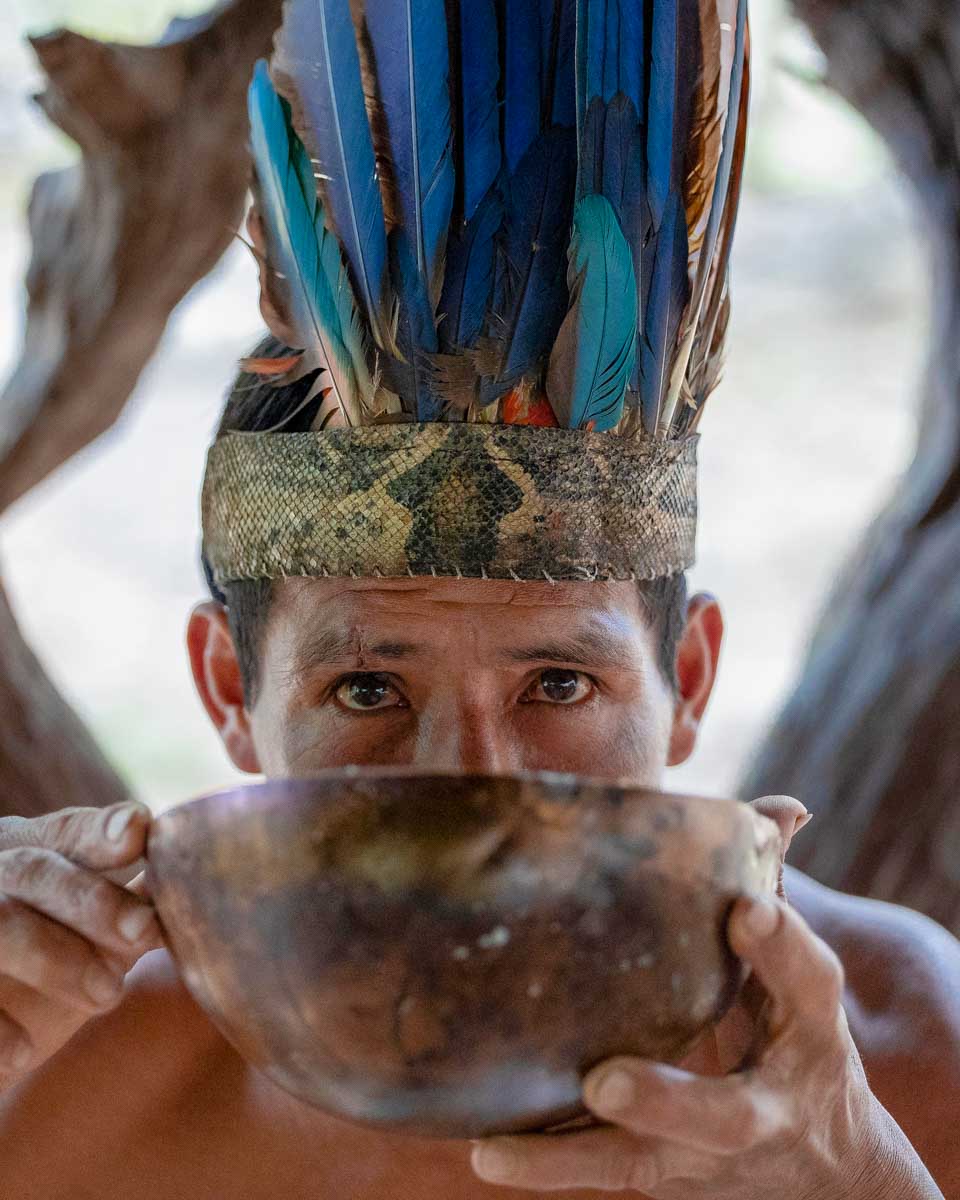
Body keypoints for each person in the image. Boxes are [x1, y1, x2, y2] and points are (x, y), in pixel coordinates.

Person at [1, 1, 959, 1196]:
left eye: (560, 682)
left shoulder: (915, 1062)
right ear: (231, 692)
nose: (474, 783)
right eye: (367, 687)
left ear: (690, 680)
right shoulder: (53, 1081)